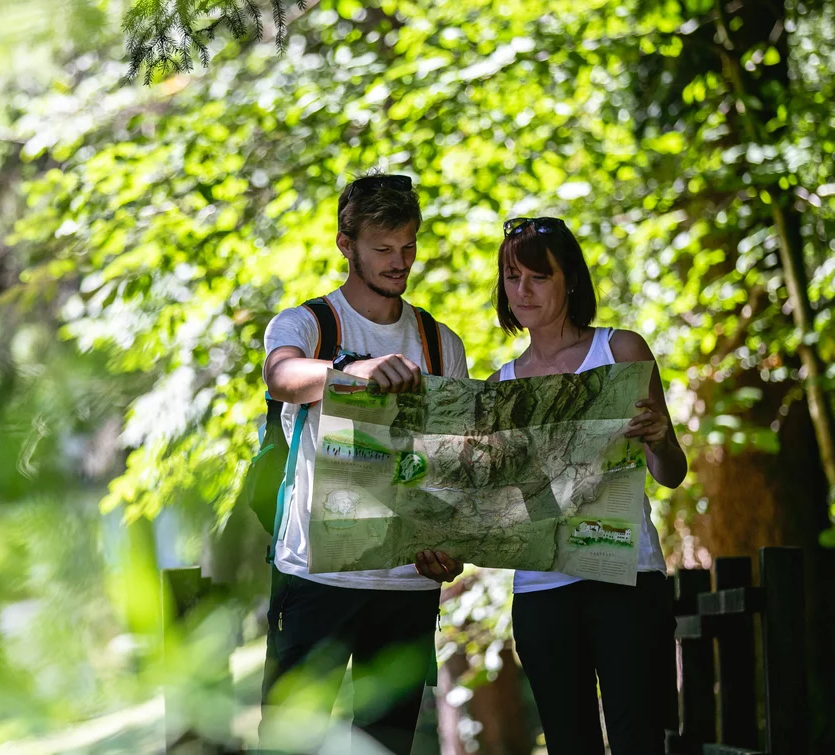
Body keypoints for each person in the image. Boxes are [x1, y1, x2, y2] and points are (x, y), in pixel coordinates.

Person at [258, 174, 468, 754]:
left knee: (385, 746)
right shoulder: (308, 324)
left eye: (409, 247)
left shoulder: (439, 342)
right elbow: (282, 376)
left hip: (405, 583)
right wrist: (354, 374)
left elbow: (450, 458)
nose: (400, 262)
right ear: (346, 245)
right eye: (383, 249)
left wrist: (450, 539)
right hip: (314, 575)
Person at [486, 216, 686, 755]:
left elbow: (671, 472)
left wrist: (661, 440)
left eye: (538, 277)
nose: (522, 291)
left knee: (637, 738)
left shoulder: (620, 351)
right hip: (541, 590)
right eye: (511, 277)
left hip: (626, 577)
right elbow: (494, 506)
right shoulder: (498, 387)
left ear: (569, 279)